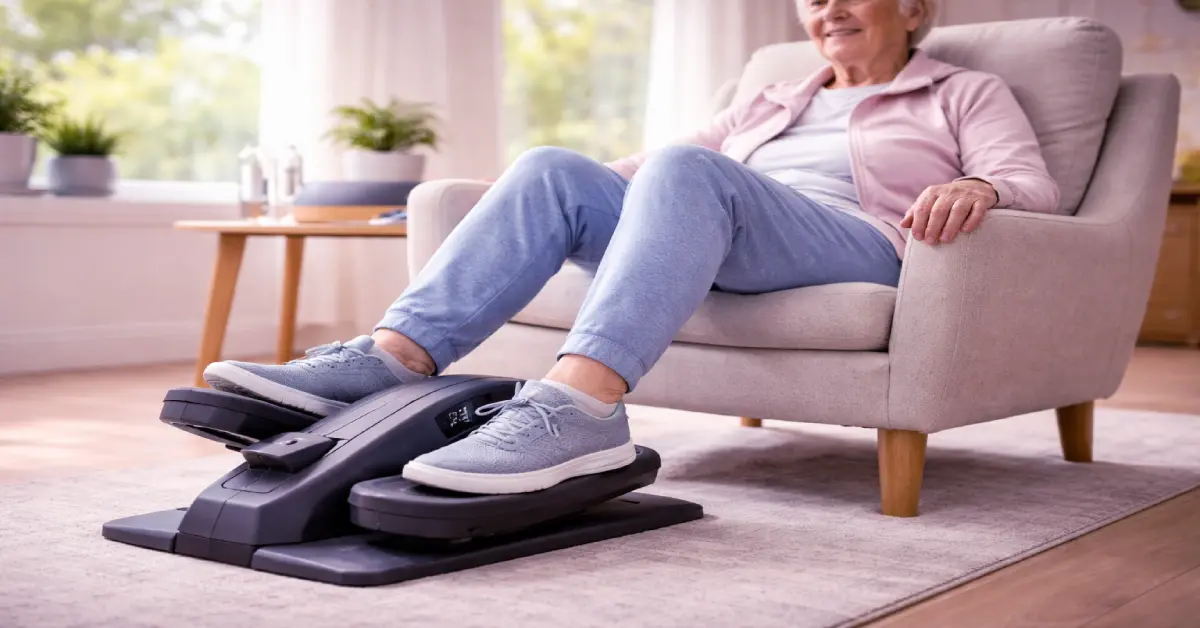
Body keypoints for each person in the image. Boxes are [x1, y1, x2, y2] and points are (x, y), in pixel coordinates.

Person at [203, 0, 1058, 495]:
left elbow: (1032, 185)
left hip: (863, 242)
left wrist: (977, 187)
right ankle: (391, 358)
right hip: (735, 229)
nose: (827, 7)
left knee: (690, 167)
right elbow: (648, 173)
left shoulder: (961, 91)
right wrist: (547, 199)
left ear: (913, 10)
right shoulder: (771, 98)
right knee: (552, 167)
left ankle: (579, 410)